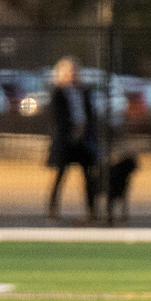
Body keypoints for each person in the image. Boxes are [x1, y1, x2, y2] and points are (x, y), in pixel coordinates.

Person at [45, 56, 98, 222]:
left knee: (88, 175)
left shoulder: (85, 91)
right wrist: (71, 130)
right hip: (65, 140)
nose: (72, 74)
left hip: (83, 139)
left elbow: (90, 114)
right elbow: (58, 117)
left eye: (75, 71)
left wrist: (84, 131)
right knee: (60, 174)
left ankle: (91, 211)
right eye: (69, 71)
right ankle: (53, 210)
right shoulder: (58, 93)